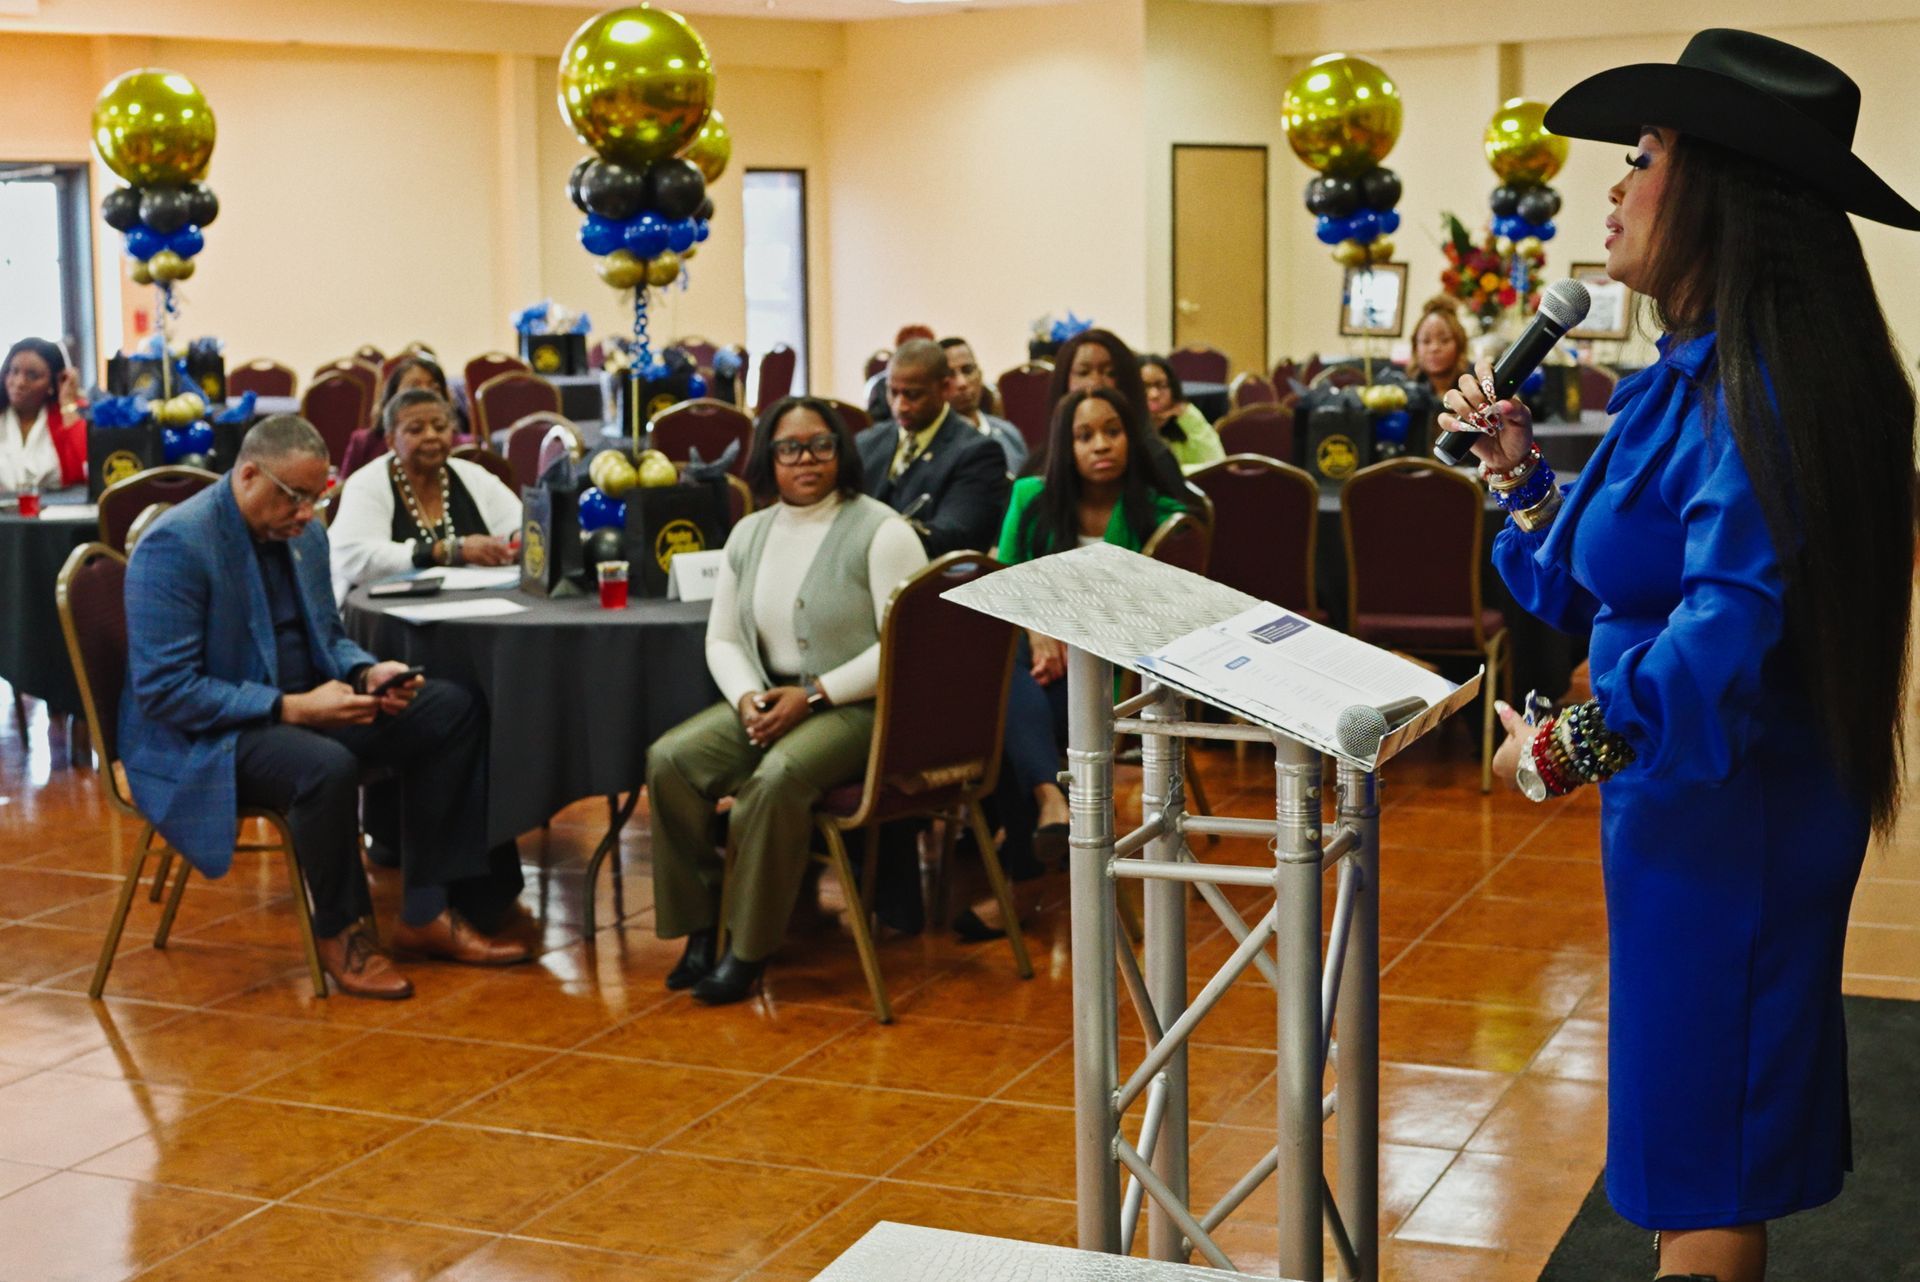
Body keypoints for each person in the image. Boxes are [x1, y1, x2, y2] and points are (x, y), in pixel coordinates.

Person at [1440, 30, 1918, 1282]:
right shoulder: (1679, 377)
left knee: (1706, 1171)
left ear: (1720, 193)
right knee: (1683, 1152)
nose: (1612, 185)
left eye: (1641, 157)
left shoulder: (1763, 388)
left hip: (1734, 821)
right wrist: (1520, 480)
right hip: (1679, 815)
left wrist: (1562, 744)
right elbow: (1593, 575)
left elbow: (1720, 642)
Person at [120, 416, 531, 1000]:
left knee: (453, 710)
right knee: (323, 767)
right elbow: (166, 692)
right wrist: (289, 707)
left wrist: (366, 671)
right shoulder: (177, 546)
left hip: (304, 705)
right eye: (297, 497)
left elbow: (328, 637)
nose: (309, 513)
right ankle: (344, 933)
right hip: (209, 736)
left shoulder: (304, 535)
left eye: (319, 497)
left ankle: (427, 911)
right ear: (249, 475)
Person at [647, 397, 927, 1005]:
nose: (806, 459)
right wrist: (749, 698)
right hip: (770, 695)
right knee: (670, 761)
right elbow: (722, 636)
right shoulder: (749, 531)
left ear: (842, 451)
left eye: (821, 445)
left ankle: (747, 950)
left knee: (774, 781)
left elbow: (904, 648)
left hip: (861, 707)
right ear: (768, 458)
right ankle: (702, 927)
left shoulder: (883, 531)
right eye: (789, 448)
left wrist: (815, 694)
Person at [954, 387, 1188, 940]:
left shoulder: (1159, 515)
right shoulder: (1031, 496)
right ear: (1065, 445)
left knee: (1009, 716)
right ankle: (1052, 805)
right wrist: (1037, 630)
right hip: (1032, 660)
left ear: (1133, 436)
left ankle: (1030, 865)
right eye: (1085, 436)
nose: (1101, 445)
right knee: (1006, 688)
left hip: (1105, 668)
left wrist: (1061, 633)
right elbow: (1003, 583)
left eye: (1113, 431)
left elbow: (1148, 611)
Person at [328, 389, 520, 603]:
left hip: (477, 605)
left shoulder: (473, 476)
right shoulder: (367, 483)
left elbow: (519, 524)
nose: (431, 436)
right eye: (416, 430)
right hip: (390, 611)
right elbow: (356, 559)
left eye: (440, 427)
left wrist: (519, 540)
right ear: (391, 440)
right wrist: (447, 551)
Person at [854, 339, 1009, 556]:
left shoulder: (978, 452)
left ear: (944, 388)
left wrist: (876, 539)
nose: (900, 406)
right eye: (893, 392)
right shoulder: (866, 443)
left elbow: (958, 536)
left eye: (913, 394)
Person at [337, 355, 466, 479]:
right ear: (392, 396)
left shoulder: (463, 446)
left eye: (434, 388)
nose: (424, 394)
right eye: (413, 388)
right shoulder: (364, 443)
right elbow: (342, 494)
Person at [0, 337, 87, 492]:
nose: (19, 382)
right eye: (14, 372)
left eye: (32, 376)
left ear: (54, 383)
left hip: (59, 510)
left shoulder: (69, 413)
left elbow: (84, 470)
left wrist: (67, 403)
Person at [939, 336, 1026, 473]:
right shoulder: (934, 446)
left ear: (980, 375)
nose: (962, 383)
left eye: (968, 370)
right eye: (949, 375)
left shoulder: (1009, 433)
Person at [1139, 355, 1226, 473]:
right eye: (1144, 387)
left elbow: (1217, 464)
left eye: (1162, 385)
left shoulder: (1186, 416)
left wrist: (1186, 417)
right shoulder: (1125, 424)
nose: (1154, 395)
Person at [1407, 295, 1471, 400]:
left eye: (1444, 340)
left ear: (1460, 344)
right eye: (1426, 341)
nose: (1434, 348)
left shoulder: (1474, 384)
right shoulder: (1404, 392)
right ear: (1415, 347)